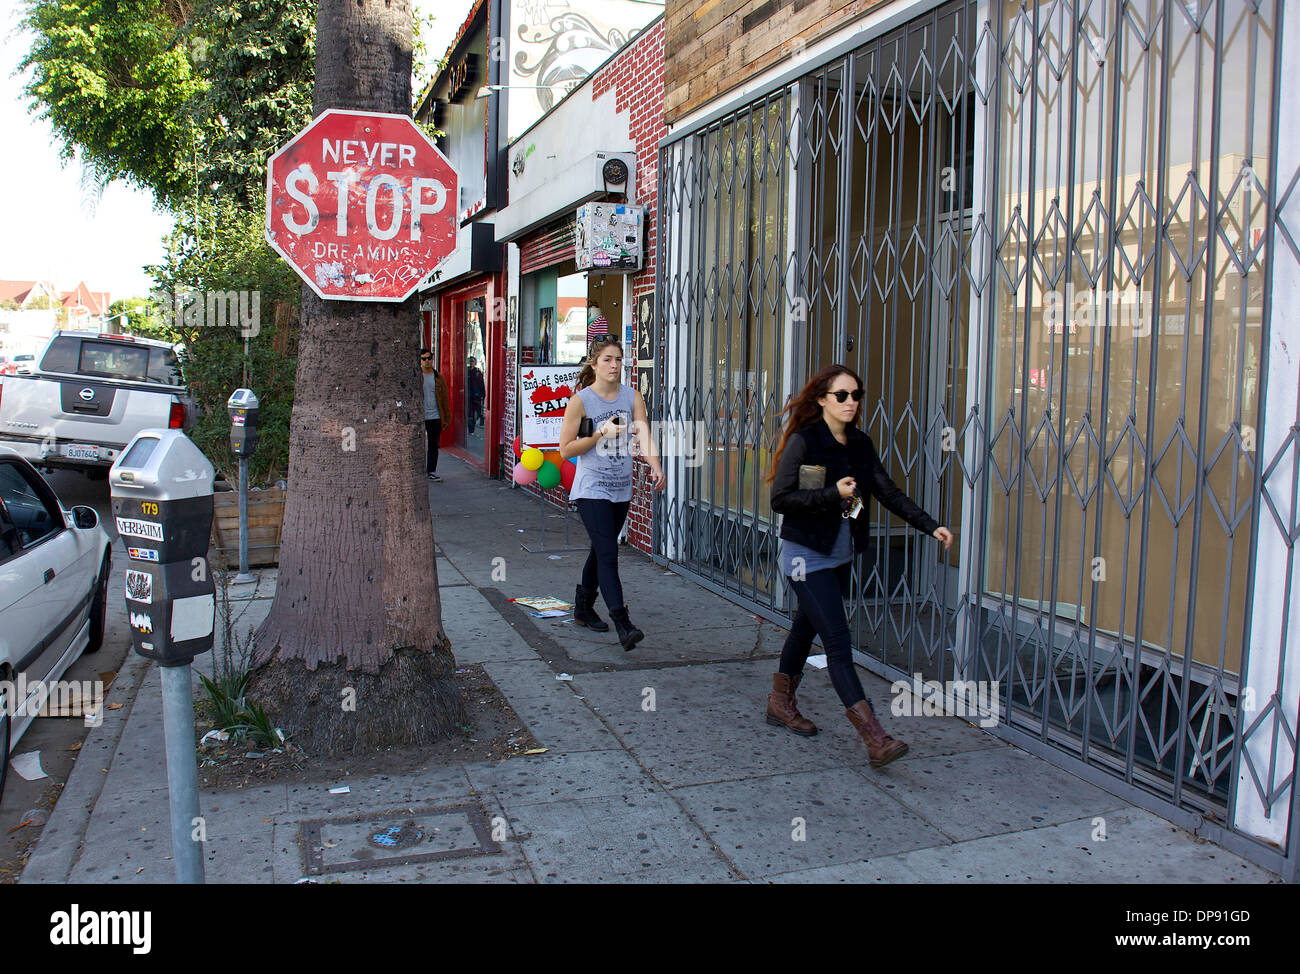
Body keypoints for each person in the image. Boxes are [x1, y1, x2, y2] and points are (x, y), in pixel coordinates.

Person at [766, 364, 954, 768]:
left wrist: (930, 525)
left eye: (856, 395)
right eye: (842, 396)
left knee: (805, 627)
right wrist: (833, 493)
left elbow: (888, 492)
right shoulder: (805, 442)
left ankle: (780, 702)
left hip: (840, 554)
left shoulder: (860, 445)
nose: (851, 403)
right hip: (804, 555)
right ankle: (875, 737)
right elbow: (781, 500)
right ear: (821, 400)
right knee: (837, 642)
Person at [559, 335, 665, 650]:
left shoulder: (631, 397)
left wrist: (656, 466)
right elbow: (566, 450)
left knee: (599, 549)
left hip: (621, 487)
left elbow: (644, 432)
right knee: (609, 553)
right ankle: (623, 622)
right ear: (594, 363)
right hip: (592, 487)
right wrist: (600, 432)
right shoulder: (582, 401)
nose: (614, 365)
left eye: (618, 359)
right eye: (607, 359)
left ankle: (582, 607)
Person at [420, 348, 450, 482]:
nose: (427, 361)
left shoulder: (438, 377)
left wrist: (446, 417)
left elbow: (444, 398)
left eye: (429, 358)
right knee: (419, 445)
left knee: (433, 445)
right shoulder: (417, 377)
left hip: (435, 416)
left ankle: (431, 470)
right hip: (421, 417)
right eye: (424, 359)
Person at [467, 356, 486, 434]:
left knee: (476, 412)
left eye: (472, 361)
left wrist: (482, 394)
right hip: (468, 396)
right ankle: (471, 427)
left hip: (476, 396)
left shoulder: (478, 373)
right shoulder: (465, 371)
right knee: (470, 413)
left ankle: (478, 420)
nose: (471, 363)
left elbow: (481, 384)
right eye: (470, 361)